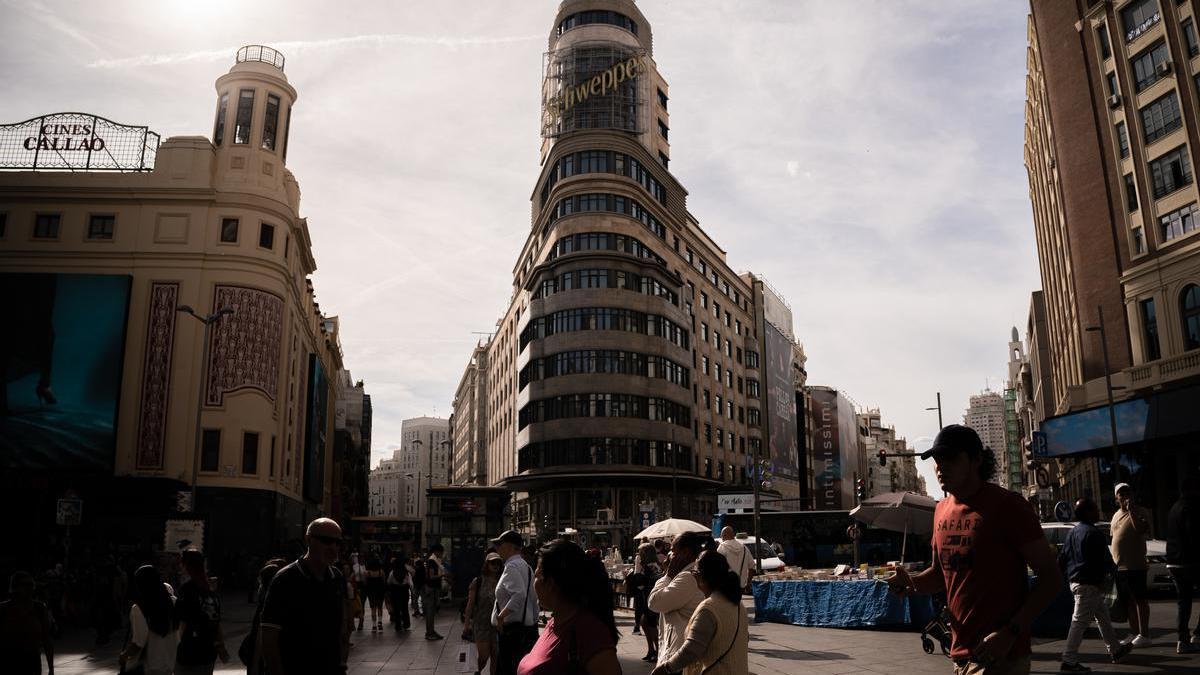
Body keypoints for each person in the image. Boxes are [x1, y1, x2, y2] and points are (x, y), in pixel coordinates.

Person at [887, 425, 1061, 674]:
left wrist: (1010, 633)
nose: (940, 467)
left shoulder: (1008, 506)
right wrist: (911, 582)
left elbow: (1051, 578)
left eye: (950, 459)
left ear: (977, 459)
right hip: (960, 656)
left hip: (1001, 657)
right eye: (936, 460)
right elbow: (940, 575)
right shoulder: (940, 510)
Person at [516, 540, 620, 675]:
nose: (533, 584)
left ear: (550, 583)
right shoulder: (555, 622)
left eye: (537, 576)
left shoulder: (589, 631)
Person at [260, 518, 347, 675]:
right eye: (326, 541)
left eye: (338, 542)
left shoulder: (337, 577)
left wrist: (342, 664)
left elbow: (341, 629)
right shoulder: (285, 579)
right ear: (308, 540)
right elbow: (269, 634)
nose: (333, 547)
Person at [1058, 499, 1131, 672]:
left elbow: (1062, 558)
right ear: (1088, 512)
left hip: (1077, 582)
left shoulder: (1073, 532)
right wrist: (1116, 574)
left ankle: (1115, 649)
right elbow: (1105, 560)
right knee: (1079, 622)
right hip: (1089, 584)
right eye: (1095, 509)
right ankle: (1068, 660)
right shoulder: (1093, 533)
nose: (1098, 512)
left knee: (1102, 616)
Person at [652, 550, 749, 675]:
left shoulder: (709, 608)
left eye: (695, 572)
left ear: (703, 576)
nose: (693, 575)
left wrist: (666, 668)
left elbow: (692, 649)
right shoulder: (738, 604)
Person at [647, 531, 707, 671]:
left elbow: (654, 602)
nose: (670, 556)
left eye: (673, 551)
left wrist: (668, 575)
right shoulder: (687, 574)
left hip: (678, 657)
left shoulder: (687, 577)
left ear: (685, 553)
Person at [1111, 482, 1154, 648]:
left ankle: (1145, 634)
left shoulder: (1140, 512)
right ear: (1116, 497)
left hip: (1136, 566)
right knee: (1128, 601)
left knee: (1140, 600)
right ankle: (1135, 632)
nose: (1125, 495)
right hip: (1121, 567)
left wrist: (1131, 511)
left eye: (1127, 492)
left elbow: (1140, 529)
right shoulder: (1115, 515)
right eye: (1121, 493)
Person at [492, 530, 539, 675]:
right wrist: (533, 621)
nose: (497, 548)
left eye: (500, 544)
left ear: (511, 547)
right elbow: (533, 598)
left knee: (507, 669)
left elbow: (519, 594)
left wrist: (501, 616)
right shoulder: (526, 567)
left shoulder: (511, 567)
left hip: (510, 632)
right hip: (525, 630)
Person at [176, 548, 228, 675]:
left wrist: (175, 647)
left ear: (185, 565)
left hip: (189, 651)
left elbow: (183, 623)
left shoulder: (186, 590)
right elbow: (216, 622)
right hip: (208, 651)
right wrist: (221, 647)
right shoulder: (210, 591)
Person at [120, 565, 180, 675]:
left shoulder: (139, 608)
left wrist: (123, 656)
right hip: (169, 666)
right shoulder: (174, 602)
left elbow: (138, 643)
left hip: (148, 668)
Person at [1166, 475, 1200, 654]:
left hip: (1173, 561)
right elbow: (1193, 534)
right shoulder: (1190, 507)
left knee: (1183, 600)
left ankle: (1183, 640)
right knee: (1185, 600)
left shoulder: (1174, 508)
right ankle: (1198, 635)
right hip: (1190, 561)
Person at [0, 571, 54, 675]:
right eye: (25, 585)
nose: (30, 588)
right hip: (8, 660)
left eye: (31, 585)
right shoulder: (3, 610)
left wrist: (51, 668)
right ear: (15, 588)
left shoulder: (39, 609)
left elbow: (47, 640)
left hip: (32, 661)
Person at [465, 552, 503, 675]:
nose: (495, 565)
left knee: (496, 657)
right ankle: (477, 671)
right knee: (484, 656)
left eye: (498, 562)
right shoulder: (478, 581)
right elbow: (470, 604)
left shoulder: (503, 581)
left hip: (498, 624)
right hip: (481, 624)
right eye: (492, 562)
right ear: (486, 564)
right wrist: (466, 625)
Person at [630, 543, 663, 662]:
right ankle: (651, 650)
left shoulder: (652, 566)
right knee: (644, 622)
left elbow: (653, 582)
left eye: (641, 552)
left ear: (646, 553)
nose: (639, 555)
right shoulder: (647, 565)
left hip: (652, 599)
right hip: (647, 598)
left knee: (651, 625)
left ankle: (658, 651)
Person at [423, 544, 446, 640]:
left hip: (433, 588)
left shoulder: (435, 561)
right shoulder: (432, 561)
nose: (442, 554)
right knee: (430, 612)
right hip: (431, 588)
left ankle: (431, 631)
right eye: (441, 552)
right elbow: (431, 576)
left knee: (432, 611)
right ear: (437, 551)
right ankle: (429, 633)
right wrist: (441, 576)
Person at [387, 556, 411, 632]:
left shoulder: (392, 572)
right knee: (405, 608)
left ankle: (398, 625)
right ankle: (406, 624)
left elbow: (388, 582)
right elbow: (410, 583)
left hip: (395, 592)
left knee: (396, 609)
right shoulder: (406, 572)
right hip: (404, 591)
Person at [364, 555, 386, 631]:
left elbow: (365, 582)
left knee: (373, 608)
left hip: (371, 592)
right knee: (380, 607)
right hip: (380, 591)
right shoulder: (381, 572)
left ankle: (374, 626)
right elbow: (384, 581)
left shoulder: (367, 573)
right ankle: (380, 622)